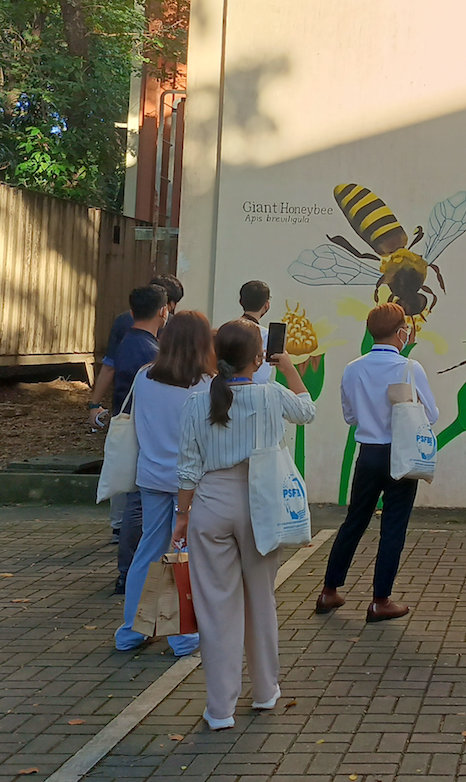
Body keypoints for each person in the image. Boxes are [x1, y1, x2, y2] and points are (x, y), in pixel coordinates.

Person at [172, 319, 316, 730]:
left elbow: (186, 470)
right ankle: (266, 690)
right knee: (261, 598)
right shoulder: (272, 394)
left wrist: (182, 517)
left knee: (217, 608)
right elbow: (308, 411)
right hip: (262, 504)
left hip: (211, 503)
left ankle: (219, 710)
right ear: (259, 358)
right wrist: (288, 366)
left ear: (217, 357)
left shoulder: (197, 402)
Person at [316, 303, 438, 622]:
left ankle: (329, 591)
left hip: (368, 453)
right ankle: (380, 600)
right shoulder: (411, 368)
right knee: (393, 527)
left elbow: (350, 416)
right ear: (401, 332)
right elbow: (432, 415)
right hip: (401, 455)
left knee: (354, 521)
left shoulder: (353, 368)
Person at [114, 311, 213, 656]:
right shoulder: (206, 384)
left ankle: (131, 629)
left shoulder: (145, 376)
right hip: (191, 483)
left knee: (148, 552)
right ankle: (183, 636)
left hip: (151, 475)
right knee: (184, 555)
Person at [88, 274, 184, 544]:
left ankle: (120, 532)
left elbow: (109, 365)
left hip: (124, 412)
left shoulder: (126, 328)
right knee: (138, 493)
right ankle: (129, 549)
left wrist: (95, 403)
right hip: (147, 420)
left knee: (128, 479)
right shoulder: (152, 347)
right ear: (166, 308)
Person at [112, 285, 171, 595]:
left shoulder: (130, 340)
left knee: (135, 507)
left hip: (138, 437)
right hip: (143, 440)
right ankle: (128, 571)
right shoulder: (150, 354)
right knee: (137, 509)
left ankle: (128, 571)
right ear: (163, 311)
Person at [238, 280, 274, 385]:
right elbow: (262, 375)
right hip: (257, 393)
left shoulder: (226, 329)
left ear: (241, 302)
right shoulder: (266, 335)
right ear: (267, 305)